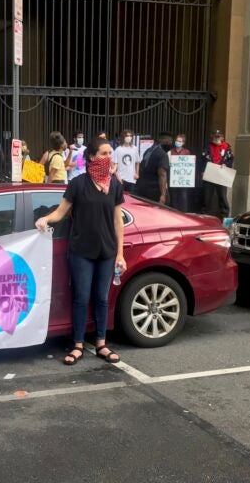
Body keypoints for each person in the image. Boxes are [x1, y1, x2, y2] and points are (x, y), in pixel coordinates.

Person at [35, 137, 126, 366]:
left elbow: (118, 222)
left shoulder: (114, 185)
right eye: (104, 154)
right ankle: (77, 344)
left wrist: (120, 253)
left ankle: (101, 343)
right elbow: (61, 212)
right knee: (81, 298)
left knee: (102, 298)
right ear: (92, 157)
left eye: (109, 154)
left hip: (107, 251)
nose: (108, 158)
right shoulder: (77, 184)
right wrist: (45, 219)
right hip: (81, 251)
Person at [201, 130, 234, 219]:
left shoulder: (227, 147)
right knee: (206, 196)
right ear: (212, 137)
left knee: (222, 196)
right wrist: (202, 171)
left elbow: (231, 159)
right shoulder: (207, 146)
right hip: (209, 173)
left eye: (218, 136)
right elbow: (203, 159)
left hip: (221, 174)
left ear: (222, 137)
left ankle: (224, 217)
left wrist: (226, 164)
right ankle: (204, 216)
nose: (217, 138)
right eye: (215, 136)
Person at [135, 132, 171, 204]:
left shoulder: (148, 151)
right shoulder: (162, 154)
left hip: (141, 189)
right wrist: (163, 195)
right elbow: (162, 174)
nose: (170, 144)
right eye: (169, 141)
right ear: (164, 141)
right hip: (155, 191)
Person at [169, 134, 192, 212]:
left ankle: (183, 213)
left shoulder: (187, 152)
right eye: (176, 140)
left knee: (183, 197)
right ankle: (174, 214)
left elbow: (189, 164)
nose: (177, 142)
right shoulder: (170, 152)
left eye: (179, 141)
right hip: (173, 179)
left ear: (183, 143)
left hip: (183, 180)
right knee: (174, 197)